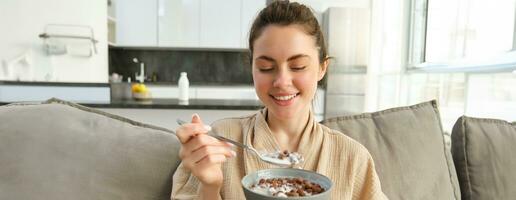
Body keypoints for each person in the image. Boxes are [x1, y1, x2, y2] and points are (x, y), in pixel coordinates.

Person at [172, 1, 387, 199]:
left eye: (298, 66)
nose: (282, 81)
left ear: (322, 68)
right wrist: (209, 186)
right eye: (266, 68)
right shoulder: (221, 140)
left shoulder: (352, 158)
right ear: (252, 69)